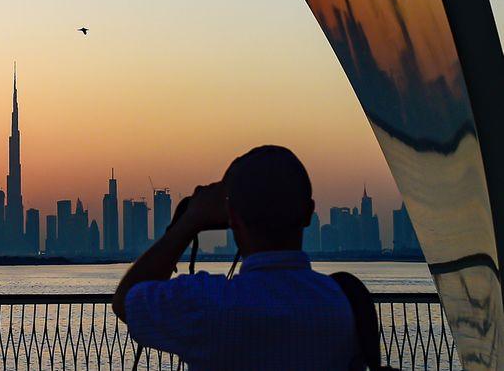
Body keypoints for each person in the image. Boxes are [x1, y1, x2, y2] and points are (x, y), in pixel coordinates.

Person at [113, 145, 359, 370]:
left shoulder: (206, 303)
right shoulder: (342, 303)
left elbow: (127, 302)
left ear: (231, 217)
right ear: (309, 214)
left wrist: (189, 222)